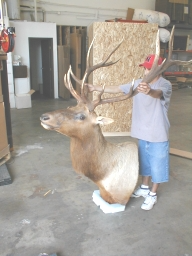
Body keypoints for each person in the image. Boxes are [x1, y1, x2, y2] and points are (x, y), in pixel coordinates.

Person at [87, 54, 172, 210]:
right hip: (143, 133)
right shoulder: (139, 83)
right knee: (145, 163)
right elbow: (118, 88)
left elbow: (157, 93)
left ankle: (152, 194)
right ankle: (145, 187)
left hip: (158, 133)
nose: (145, 72)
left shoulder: (165, 84)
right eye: (145, 68)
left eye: (149, 68)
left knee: (158, 165)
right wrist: (96, 87)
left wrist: (148, 91)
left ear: (158, 69)